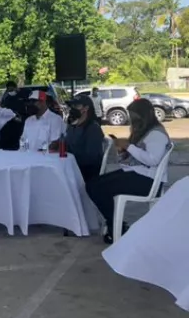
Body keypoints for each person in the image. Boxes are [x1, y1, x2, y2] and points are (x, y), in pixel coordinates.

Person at [86, 99, 171, 244]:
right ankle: (116, 224)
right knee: (93, 184)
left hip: (148, 182)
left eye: (133, 116)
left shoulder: (156, 134)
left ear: (143, 116)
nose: (131, 120)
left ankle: (116, 226)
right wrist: (122, 150)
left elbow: (152, 160)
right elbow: (133, 161)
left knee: (97, 188)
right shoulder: (144, 132)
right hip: (138, 175)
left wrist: (129, 146)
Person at [58, 96, 105, 182]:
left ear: (86, 108)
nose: (72, 109)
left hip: (85, 174)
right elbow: (67, 145)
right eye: (71, 106)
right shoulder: (72, 126)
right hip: (70, 168)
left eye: (76, 106)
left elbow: (91, 158)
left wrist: (69, 158)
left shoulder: (93, 128)